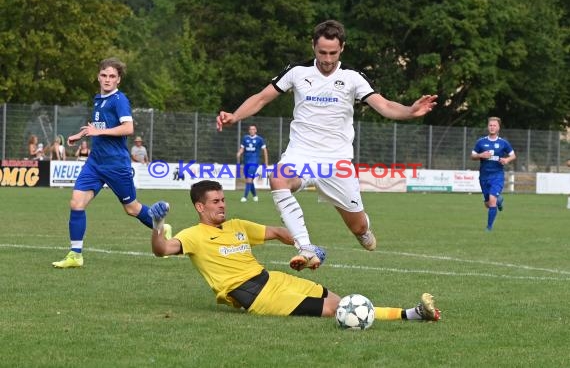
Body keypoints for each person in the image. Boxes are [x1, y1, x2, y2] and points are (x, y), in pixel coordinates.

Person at [217, 20, 438, 271]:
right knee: (277, 178)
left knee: (359, 228)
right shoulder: (297, 72)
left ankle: (363, 227)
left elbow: (384, 105)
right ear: (313, 46)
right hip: (300, 155)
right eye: (322, 52)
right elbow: (261, 98)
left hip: (336, 162)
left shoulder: (352, 78)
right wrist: (234, 116)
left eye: (333, 52)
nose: (327, 58)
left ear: (342, 48)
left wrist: (410, 110)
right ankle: (305, 247)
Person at [148, 180, 441, 321]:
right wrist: (157, 224)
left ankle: (410, 314)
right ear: (200, 207)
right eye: (215, 202)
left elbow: (277, 232)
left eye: (223, 199)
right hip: (250, 293)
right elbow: (162, 249)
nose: (222, 205)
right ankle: (411, 314)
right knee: (332, 310)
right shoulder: (194, 235)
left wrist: (305, 248)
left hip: (270, 278)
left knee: (337, 298)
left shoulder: (236, 224)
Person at [52, 57, 163, 268]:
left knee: (131, 209)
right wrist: (82, 134)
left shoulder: (119, 100)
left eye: (112, 76)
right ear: (98, 76)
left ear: (118, 79)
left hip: (116, 165)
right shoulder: (98, 100)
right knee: (76, 203)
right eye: (104, 75)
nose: (107, 79)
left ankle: (159, 224)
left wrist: (97, 131)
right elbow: (98, 126)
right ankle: (76, 255)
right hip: (95, 163)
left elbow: (128, 128)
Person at [471, 117, 516, 231]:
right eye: (490, 125)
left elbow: (513, 155)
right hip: (484, 177)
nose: (492, 127)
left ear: (498, 127)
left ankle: (489, 228)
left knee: (492, 200)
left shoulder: (503, 143)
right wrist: (481, 155)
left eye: (494, 125)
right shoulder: (481, 142)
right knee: (488, 203)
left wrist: (507, 160)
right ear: (488, 126)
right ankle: (499, 200)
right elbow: (473, 156)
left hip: (497, 175)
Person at [236, 124, 269, 202]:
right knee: (249, 180)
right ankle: (255, 196)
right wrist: (239, 153)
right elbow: (242, 148)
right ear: (249, 130)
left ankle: (245, 197)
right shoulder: (245, 138)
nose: (252, 130)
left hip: (254, 162)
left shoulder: (259, 139)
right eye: (250, 129)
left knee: (249, 179)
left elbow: (265, 151)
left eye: (253, 129)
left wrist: (266, 162)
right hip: (246, 162)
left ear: (256, 130)